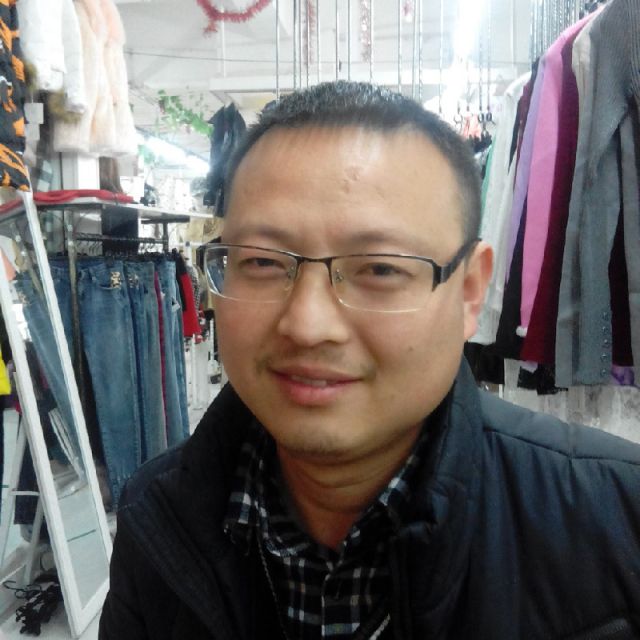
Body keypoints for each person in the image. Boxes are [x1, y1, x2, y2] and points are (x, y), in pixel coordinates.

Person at [99, 81, 640, 640]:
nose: (307, 325)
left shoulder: (618, 521)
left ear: (470, 293)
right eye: (262, 262)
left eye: (380, 268)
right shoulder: (158, 516)